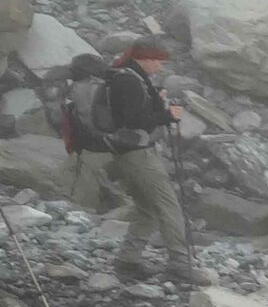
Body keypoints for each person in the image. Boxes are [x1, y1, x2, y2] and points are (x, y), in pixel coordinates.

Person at [69, 40, 196, 283]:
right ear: (143, 58)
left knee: (147, 209)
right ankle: (180, 264)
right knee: (169, 206)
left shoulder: (123, 76)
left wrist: (156, 99)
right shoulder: (129, 80)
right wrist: (167, 115)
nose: (160, 66)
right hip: (138, 153)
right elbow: (134, 120)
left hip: (121, 151)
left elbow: (127, 113)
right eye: (157, 61)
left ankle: (128, 260)